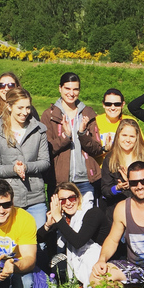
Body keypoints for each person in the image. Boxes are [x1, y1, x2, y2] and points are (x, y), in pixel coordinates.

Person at [0, 88, 50, 231]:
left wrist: (26, 167)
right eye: (20, 107)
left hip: (35, 197)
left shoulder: (39, 130)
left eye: (28, 107)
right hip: (7, 197)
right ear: (9, 106)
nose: (25, 112)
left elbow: (45, 161)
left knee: (39, 239)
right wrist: (13, 169)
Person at [40, 72, 102, 208]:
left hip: (86, 181)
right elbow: (45, 150)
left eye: (75, 89)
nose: (71, 93)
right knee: (60, 225)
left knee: (86, 224)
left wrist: (83, 133)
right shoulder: (49, 115)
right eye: (67, 88)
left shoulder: (88, 113)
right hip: (59, 181)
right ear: (60, 88)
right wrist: (65, 137)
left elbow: (97, 149)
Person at [38, 183, 110, 288]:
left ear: (78, 198)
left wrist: (58, 218)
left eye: (71, 198)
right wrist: (48, 224)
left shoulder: (92, 213)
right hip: (80, 259)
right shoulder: (64, 218)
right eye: (62, 200)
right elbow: (38, 238)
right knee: (57, 265)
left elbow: (78, 242)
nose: (68, 203)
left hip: (103, 259)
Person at [100, 119, 144, 216]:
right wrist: (117, 188)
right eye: (124, 135)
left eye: (132, 136)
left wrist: (132, 181)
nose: (127, 140)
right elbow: (105, 190)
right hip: (118, 209)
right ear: (118, 136)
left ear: (137, 138)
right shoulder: (110, 159)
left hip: (143, 208)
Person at [94, 88, 140, 164]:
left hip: (124, 168)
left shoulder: (130, 122)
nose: (112, 108)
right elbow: (88, 151)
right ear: (103, 104)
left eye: (117, 104)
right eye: (108, 104)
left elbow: (140, 148)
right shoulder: (96, 121)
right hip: (100, 170)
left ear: (123, 104)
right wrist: (105, 149)